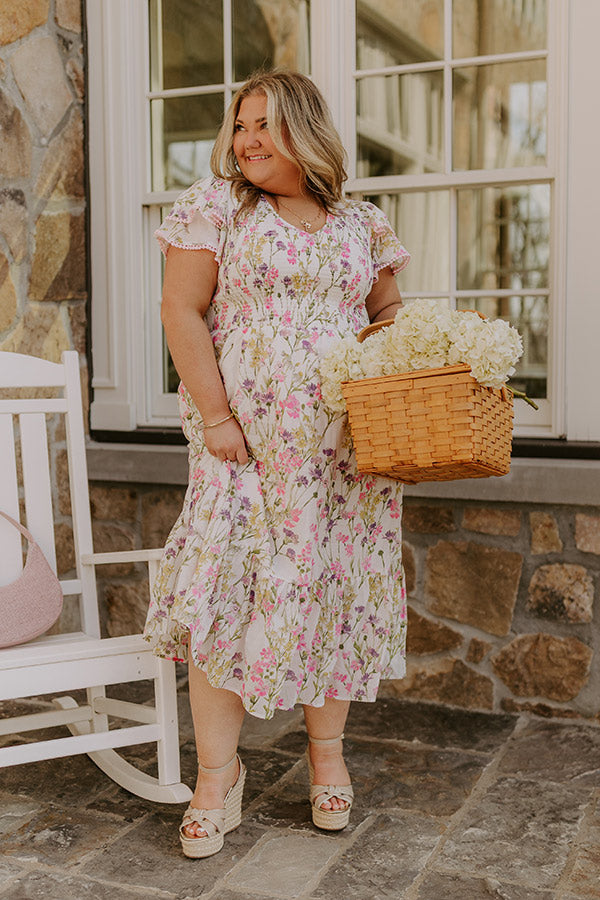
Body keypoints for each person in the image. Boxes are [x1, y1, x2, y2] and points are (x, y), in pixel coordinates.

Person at [143, 69, 410, 859]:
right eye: (240, 125)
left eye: (265, 124)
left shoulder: (361, 222)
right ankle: (216, 779)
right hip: (245, 453)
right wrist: (218, 418)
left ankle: (327, 760)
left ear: (305, 129)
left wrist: (404, 361)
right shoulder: (218, 205)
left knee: (333, 595)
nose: (247, 140)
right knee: (225, 598)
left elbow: (388, 312)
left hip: (345, 461)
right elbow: (180, 308)